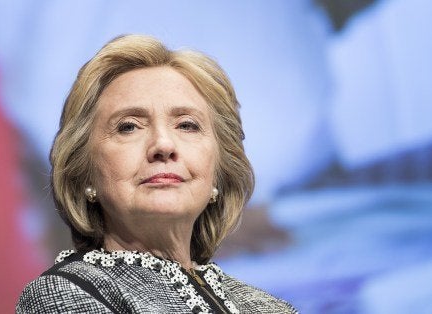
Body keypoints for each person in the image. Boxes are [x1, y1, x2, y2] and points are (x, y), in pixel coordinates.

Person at [16, 34, 297, 313]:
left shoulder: (269, 307)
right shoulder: (66, 293)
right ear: (85, 174)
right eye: (128, 127)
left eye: (187, 125)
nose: (163, 145)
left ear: (219, 172)